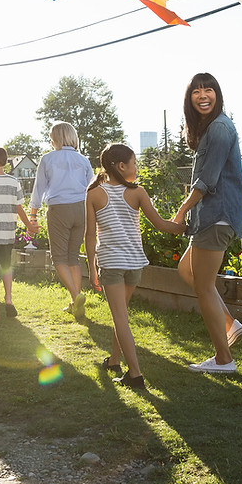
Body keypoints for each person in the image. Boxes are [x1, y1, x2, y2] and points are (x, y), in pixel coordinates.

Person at [86, 143, 186, 389]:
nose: (137, 168)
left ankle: (136, 375)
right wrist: (186, 228)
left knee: (120, 318)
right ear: (121, 166)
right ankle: (114, 360)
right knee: (122, 315)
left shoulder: (94, 194)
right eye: (134, 163)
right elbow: (162, 224)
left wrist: (91, 269)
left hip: (111, 263)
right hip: (134, 264)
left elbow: (89, 236)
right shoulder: (138, 192)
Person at [171, 73, 242, 374]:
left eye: (209, 89)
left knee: (203, 287)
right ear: (190, 98)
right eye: (197, 91)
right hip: (209, 217)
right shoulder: (209, 129)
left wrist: (181, 210)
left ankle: (224, 359)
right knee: (185, 270)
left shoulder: (219, 128)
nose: (203, 95)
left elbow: (208, 180)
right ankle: (230, 323)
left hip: (217, 216)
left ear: (217, 94)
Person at [29, 122, 94, 319]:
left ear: (56, 138)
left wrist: (32, 215)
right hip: (81, 208)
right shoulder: (83, 160)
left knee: (59, 258)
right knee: (73, 257)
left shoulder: (48, 159)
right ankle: (75, 304)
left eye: (51, 137)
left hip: (59, 209)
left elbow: (38, 188)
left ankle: (76, 295)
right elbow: (92, 187)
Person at [0, 146, 37, 321]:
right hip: (8, 234)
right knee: (6, 268)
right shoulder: (14, 182)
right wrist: (29, 226)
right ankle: (8, 299)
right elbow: (19, 208)